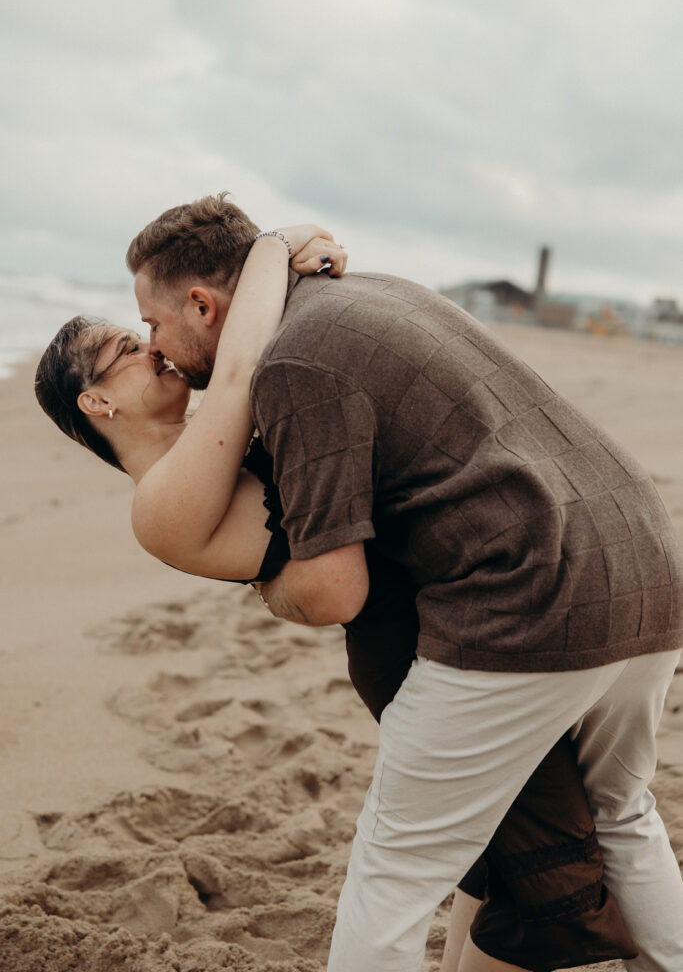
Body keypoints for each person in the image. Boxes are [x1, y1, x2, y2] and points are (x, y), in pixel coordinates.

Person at [33, 226, 638, 970]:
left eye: (146, 331)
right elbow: (243, 370)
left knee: (506, 856)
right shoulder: (161, 501)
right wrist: (269, 246)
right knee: (539, 871)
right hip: (416, 647)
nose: (152, 348)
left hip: (465, 621)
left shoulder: (207, 440)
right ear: (95, 401)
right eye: (128, 349)